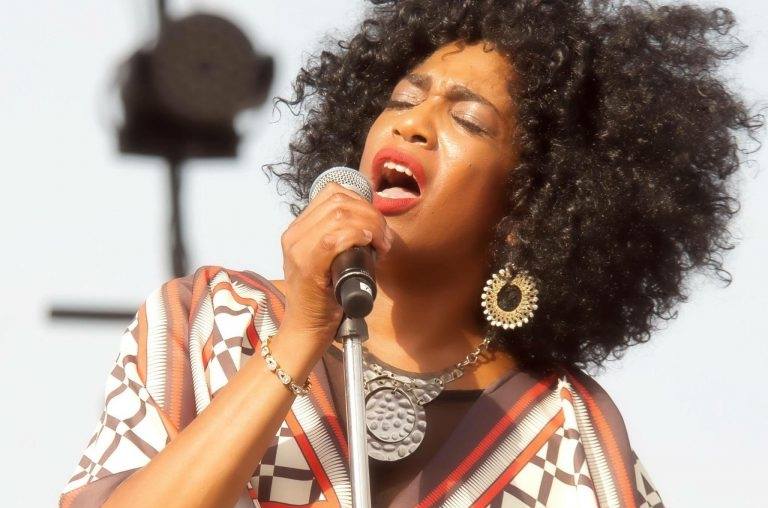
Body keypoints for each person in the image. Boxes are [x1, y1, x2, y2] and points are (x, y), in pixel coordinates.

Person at [59, 0, 763, 507]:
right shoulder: (209, 323)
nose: (414, 125)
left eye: (468, 120)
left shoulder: (573, 440)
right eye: (402, 99)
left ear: (529, 209)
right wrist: (301, 336)